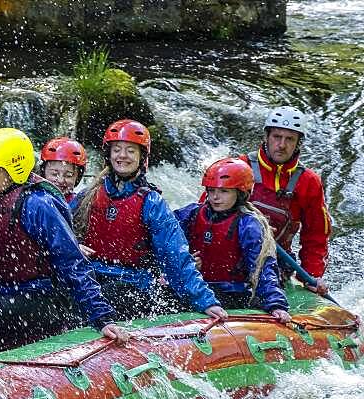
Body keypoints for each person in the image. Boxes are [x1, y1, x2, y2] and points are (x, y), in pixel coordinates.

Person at [0, 127, 129, 349]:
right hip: (6, 292)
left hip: (46, 298)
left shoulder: (38, 205)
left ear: (13, 170)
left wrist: (102, 317)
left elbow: (73, 263)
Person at [70, 119, 227, 322]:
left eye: (130, 151)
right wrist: (75, 245)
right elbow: (59, 235)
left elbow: (176, 256)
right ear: (108, 155)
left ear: (142, 157)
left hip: (134, 284)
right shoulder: (88, 195)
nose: (122, 156)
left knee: (110, 295)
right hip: (92, 277)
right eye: (117, 149)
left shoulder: (152, 202)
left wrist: (205, 301)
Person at [175, 158, 290, 322]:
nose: (215, 197)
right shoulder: (191, 213)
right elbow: (165, 242)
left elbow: (263, 268)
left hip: (232, 293)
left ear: (241, 193)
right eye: (212, 190)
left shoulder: (249, 225)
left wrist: (276, 304)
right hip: (196, 286)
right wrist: (184, 261)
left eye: (224, 191)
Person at [240, 106, 332, 296]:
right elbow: (203, 214)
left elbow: (316, 236)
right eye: (277, 137)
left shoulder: (309, 182)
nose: (281, 145)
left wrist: (312, 276)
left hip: (276, 260)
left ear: (298, 143)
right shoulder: (239, 167)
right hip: (233, 253)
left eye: (289, 139)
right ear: (266, 137)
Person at [39, 137, 88, 202]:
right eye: (54, 174)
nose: (60, 180)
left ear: (77, 178)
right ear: (43, 173)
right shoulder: (34, 200)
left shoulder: (79, 204)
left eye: (68, 175)